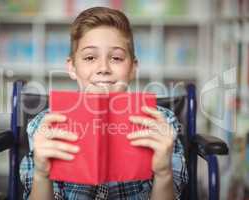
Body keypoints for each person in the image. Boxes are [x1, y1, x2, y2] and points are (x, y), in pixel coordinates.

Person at [20, 6, 188, 200]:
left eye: (116, 58)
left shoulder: (162, 123)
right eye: (90, 58)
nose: (103, 68)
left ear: (133, 68)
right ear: (72, 67)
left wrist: (163, 173)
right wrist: (42, 174)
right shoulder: (45, 125)